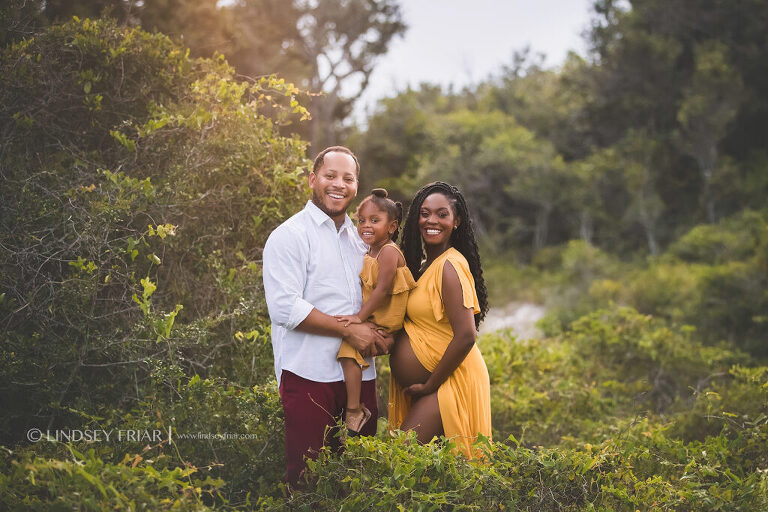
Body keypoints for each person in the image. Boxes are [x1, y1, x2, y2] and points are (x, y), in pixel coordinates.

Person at [262, 146, 393, 485]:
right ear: (313, 180)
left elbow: (382, 295)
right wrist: (349, 331)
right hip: (308, 375)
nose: (339, 184)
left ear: (356, 186)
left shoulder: (363, 241)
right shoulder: (289, 236)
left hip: (361, 376)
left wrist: (384, 334)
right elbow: (285, 307)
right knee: (307, 479)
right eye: (330, 176)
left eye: (347, 178)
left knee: (359, 478)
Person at [388, 181, 491, 458]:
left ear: (456, 221)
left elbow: (467, 335)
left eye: (441, 214)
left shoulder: (450, 266)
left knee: (399, 459)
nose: (431, 220)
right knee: (429, 476)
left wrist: (430, 385)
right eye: (424, 213)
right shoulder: (423, 266)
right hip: (435, 382)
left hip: (449, 383)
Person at [334, 188, 416, 434]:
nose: (366, 226)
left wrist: (359, 318)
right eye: (361, 220)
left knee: (349, 350)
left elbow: (381, 291)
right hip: (375, 319)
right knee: (349, 353)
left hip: (384, 322)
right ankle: (354, 407)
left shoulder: (389, 252)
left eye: (374, 220)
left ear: (391, 227)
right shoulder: (370, 250)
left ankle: (354, 409)